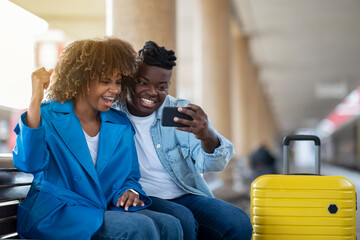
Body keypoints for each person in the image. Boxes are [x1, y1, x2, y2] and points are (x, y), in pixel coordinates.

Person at [12, 38, 183, 240]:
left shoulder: (119, 123)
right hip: (56, 214)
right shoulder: (48, 115)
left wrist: (129, 191)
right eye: (105, 81)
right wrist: (35, 100)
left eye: (118, 82)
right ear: (81, 79)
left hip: (98, 209)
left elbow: (128, 177)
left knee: (171, 225)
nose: (115, 90)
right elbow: (29, 163)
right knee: (140, 227)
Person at [114, 40, 253, 240]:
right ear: (130, 79)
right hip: (143, 196)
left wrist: (206, 135)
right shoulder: (113, 113)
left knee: (238, 221)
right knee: (183, 219)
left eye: (161, 87)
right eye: (143, 83)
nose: (152, 92)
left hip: (186, 194)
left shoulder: (179, 111)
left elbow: (212, 165)